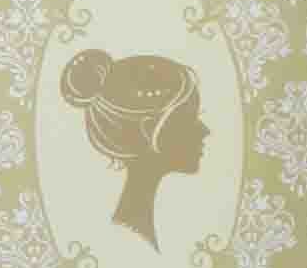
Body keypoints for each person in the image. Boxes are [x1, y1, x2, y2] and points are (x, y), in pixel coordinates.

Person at [60, 48, 208, 250]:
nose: (205, 131)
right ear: (150, 130)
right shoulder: (130, 236)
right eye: (190, 119)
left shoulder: (132, 227)